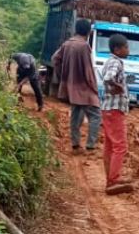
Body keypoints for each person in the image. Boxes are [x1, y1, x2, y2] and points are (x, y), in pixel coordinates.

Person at [52, 18, 101, 153]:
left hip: (71, 87)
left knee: (76, 114)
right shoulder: (84, 46)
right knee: (96, 116)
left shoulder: (67, 44)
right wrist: (94, 87)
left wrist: (63, 75)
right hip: (84, 87)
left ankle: (75, 145)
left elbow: (55, 59)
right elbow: (88, 70)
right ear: (88, 31)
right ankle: (90, 146)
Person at [100, 34, 134, 195]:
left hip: (107, 108)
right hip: (115, 110)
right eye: (126, 47)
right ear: (117, 49)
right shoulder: (116, 62)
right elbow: (108, 77)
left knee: (109, 146)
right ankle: (113, 180)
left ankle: (111, 178)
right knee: (120, 146)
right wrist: (118, 86)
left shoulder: (109, 61)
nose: (128, 50)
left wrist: (115, 86)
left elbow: (104, 76)